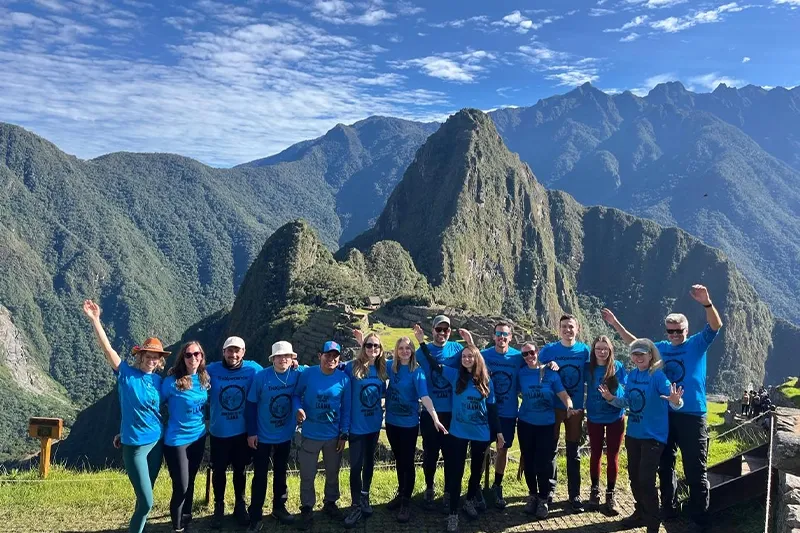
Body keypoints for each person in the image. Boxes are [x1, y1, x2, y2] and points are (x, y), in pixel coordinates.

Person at [602, 284, 722, 530]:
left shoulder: (698, 343)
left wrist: (707, 303)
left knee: (695, 468)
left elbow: (715, 326)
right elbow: (637, 344)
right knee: (665, 465)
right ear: (666, 332)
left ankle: (700, 520)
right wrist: (615, 324)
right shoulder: (662, 349)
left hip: (692, 415)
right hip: (665, 415)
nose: (675, 335)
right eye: (671, 331)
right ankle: (667, 508)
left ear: (686, 330)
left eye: (678, 331)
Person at [82, 300, 168, 533]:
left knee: (143, 502)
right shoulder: (126, 374)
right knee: (147, 501)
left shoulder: (159, 381)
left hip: (156, 442)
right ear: (140, 357)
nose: (151, 360)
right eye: (148, 356)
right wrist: (95, 320)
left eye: (155, 357)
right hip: (135, 448)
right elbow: (108, 349)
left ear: (159, 361)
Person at [418, 332, 502, 533]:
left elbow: (492, 409)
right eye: (464, 356)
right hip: (458, 432)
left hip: (481, 433)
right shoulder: (455, 375)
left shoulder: (486, 381)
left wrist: (498, 433)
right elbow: (433, 364)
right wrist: (421, 342)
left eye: (470, 356)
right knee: (456, 473)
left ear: (476, 359)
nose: (466, 359)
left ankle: (470, 500)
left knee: (476, 472)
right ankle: (453, 513)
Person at [599, 338, 684, 533]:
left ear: (650, 355)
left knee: (646, 479)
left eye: (641, 354)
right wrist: (611, 399)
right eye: (634, 354)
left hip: (653, 436)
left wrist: (675, 401)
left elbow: (674, 401)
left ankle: (653, 523)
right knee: (634, 478)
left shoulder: (658, 377)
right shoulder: (633, 375)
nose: (638, 357)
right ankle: (640, 512)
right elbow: (628, 401)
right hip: (634, 434)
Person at [414, 315, 474, 511]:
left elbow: (474, 362)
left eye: (446, 330)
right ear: (432, 330)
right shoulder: (421, 352)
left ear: (450, 331)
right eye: (438, 329)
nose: (442, 333)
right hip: (430, 413)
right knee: (430, 454)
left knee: (451, 455)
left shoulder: (457, 350)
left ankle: (449, 492)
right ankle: (429, 487)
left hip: (452, 413)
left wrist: (470, 342)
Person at [245, 341, 304, 532]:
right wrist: (252, 432)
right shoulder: (262, 377)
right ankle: (255, 515)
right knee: (260, 476)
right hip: (262, 435)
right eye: (279, 356)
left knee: (281, 473)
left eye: (287, 356)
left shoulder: (297, 373)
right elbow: (252, 404)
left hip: (284, 434)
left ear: (293, 358)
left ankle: (279, 507)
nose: (283, 359)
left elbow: (318, 369)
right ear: (273, 359)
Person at [293, 341, 351, 531]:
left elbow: (346, 409)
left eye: (335, 356)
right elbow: (296, 395)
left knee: (333, 472)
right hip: (310, 434)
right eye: (327, 355)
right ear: (320, 356)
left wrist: (344, 433)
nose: (331, 359)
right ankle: (307, 508)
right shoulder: (308, 374)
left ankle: (330, 503)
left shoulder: (343, 380)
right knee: (307, 475)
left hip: (333, 435)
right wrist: (298, 408)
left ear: (339, 358)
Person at [389, 333, 447, 522]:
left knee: (407, 462)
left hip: (408, 424)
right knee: (398, 459)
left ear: (412, 352)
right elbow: (371, 361)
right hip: (391, 422)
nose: (404, 351)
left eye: (408, 348)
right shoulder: (392, 367)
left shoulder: (417, 372)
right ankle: (401, 492)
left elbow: (425, 397)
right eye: (401, 348)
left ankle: (406, 502)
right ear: (396, 352)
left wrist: (435, 418)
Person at [207, 336, 263, 528]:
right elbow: (190, 375)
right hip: (219, 432)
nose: (233, 354)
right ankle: (219, 505)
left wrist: (294, 366)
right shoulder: (212, 370)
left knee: (240, 469)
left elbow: (273, 375)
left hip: (242, 432)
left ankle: (240, 504)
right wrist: (175, 372)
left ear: (243, 352)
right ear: (223, 352)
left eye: (237, 350)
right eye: (230, 351)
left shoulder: (253, 369)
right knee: (219, 470)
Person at [538, 314, 591, 512]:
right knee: (551, 448)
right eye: (564, 327)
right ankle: (550, 490)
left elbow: (592, 372)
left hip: (575, 407)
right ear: (558, 329)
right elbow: (536, 368)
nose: (568, 330)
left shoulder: (584, 350)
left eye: (571, 327)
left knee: (573, 451)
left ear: (577, 329)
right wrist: (547, 365)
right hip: (553, 406)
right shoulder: (550, 350)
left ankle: (574, 494)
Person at [516, 342, 574, 520]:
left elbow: (563, 394)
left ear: (537, 352)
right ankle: (532, 494)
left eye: (532, 352)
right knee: (529, 459)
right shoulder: (521, 373)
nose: (529, 357)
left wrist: (569, 407)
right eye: (525, 354)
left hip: (546, 425)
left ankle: (543, 498)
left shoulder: (551, 373)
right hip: (526, 422)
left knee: (544, 462)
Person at [161, 341, 211, 533]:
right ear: (182, 358)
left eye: (197, 354)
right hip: (176, 441)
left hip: (198, 437)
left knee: (190, 481)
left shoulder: (204, 377)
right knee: (181, 485)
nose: (193, 358)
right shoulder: (172, 382)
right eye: (188, 355)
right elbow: (153, 404)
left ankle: (187, 518)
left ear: (202, 356)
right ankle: (177, 527)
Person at [342, 332, 388, 528]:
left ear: (381, 349)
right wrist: (296, 366)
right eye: (368, 346)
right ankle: (355, 505)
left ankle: (365, 497)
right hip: (356, 427)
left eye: (376, 346)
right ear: (363, 347)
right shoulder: (351, 367)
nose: (372, 349)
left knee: (370, 462)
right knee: (355, 466)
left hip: (373, 425)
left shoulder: (382, 369)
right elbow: (330, 366)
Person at [480, 321, 523, 510]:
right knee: (481, 449)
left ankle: (497, 486)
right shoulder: (484, 355)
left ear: (511, 337)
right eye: (498, 334)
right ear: (493, 336)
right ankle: (476, 488)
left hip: (507, 412)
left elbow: (534, 366)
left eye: (505, 334)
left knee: (503, 448)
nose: (501, 337)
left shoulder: (518, 357)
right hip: (485, 411)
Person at [584, 335, 627, 515]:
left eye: (605, 349)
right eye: (598, 348)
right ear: (593, 351)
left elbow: (624, 392)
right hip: (594, 417)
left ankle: (610, 494)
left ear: (610, 350)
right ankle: (594, 491)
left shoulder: (617, 367)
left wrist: (612, 392)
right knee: (595, 454)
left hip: (615, 417)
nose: (602, 352)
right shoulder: (588, 368)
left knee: (613, 456)